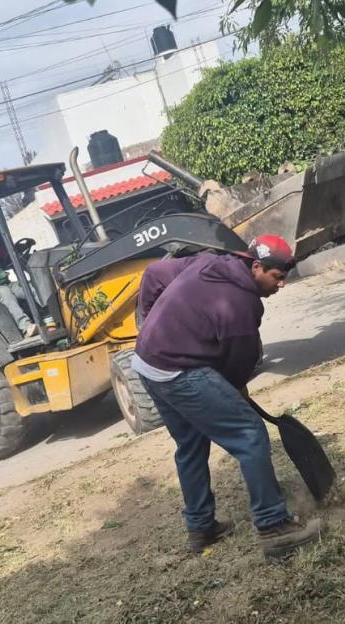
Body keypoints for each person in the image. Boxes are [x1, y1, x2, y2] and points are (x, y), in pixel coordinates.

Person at [133, 236, 323, 559]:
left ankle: (201, 529)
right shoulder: (242, 306)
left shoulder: (208, 261)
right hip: (179, 369)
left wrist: (151, 325)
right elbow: (239, 364)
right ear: (257, 266)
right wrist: (236, 387)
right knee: (249, 434)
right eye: (277, 277)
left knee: (191, 444)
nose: (281, 286)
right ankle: (274, 526)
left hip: (146, 363)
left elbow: (153, 274)